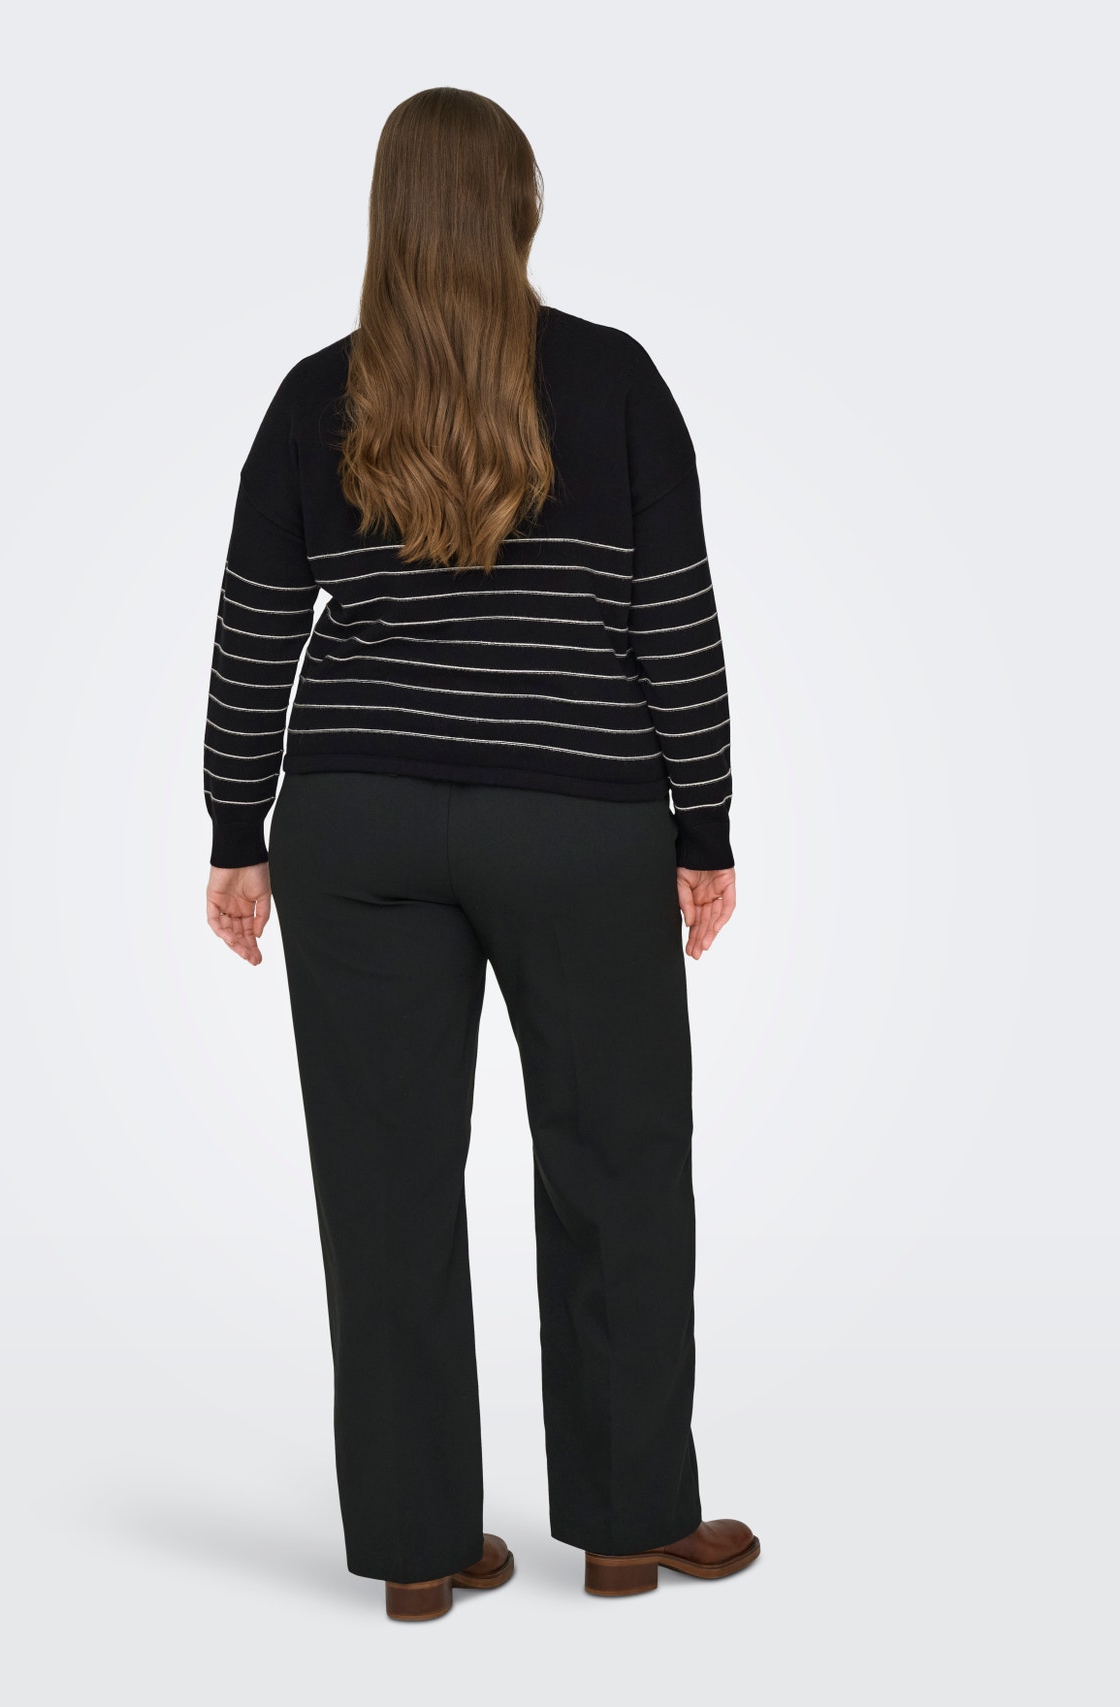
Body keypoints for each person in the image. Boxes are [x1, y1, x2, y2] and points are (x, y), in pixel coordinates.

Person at [202, 86, 758, 1621]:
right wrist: (703, 827)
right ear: (520, 209)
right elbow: (673, 624)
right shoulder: (613, 380)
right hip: (577, 819)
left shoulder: (314, 398)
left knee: (379, 1182)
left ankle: (417, 1551)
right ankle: (630, 1527)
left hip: (358, 823)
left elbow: (256, 631)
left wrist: (236, 832)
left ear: (387, 216)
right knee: (618, 1163)